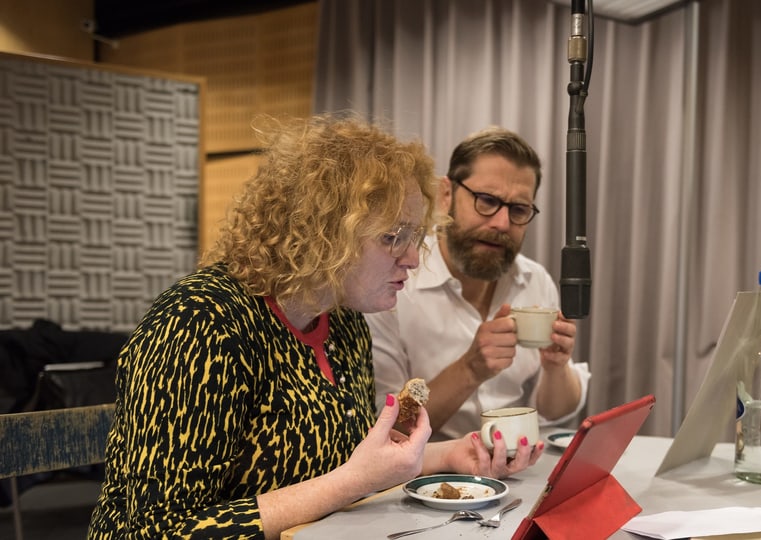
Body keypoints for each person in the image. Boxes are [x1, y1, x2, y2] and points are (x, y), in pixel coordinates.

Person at [87, 115, 544, 540]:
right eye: (392, 237)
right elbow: (157, 530)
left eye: (412, 235)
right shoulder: (199, 326)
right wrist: (349, 484)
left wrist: (447, 456)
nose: (411, 257)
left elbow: (348, 461)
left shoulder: (343, 322)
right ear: (323, 233)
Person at [366, 126, 590, 441]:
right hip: (425, 479)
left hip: (517, 470)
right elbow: (388, 431)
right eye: (486, 200)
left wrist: (556, 366)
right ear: (446, 195)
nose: (501, 223)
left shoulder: (535, 280)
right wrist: (470, 370)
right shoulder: (393, 283)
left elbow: (556, 411)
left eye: (519, 209)